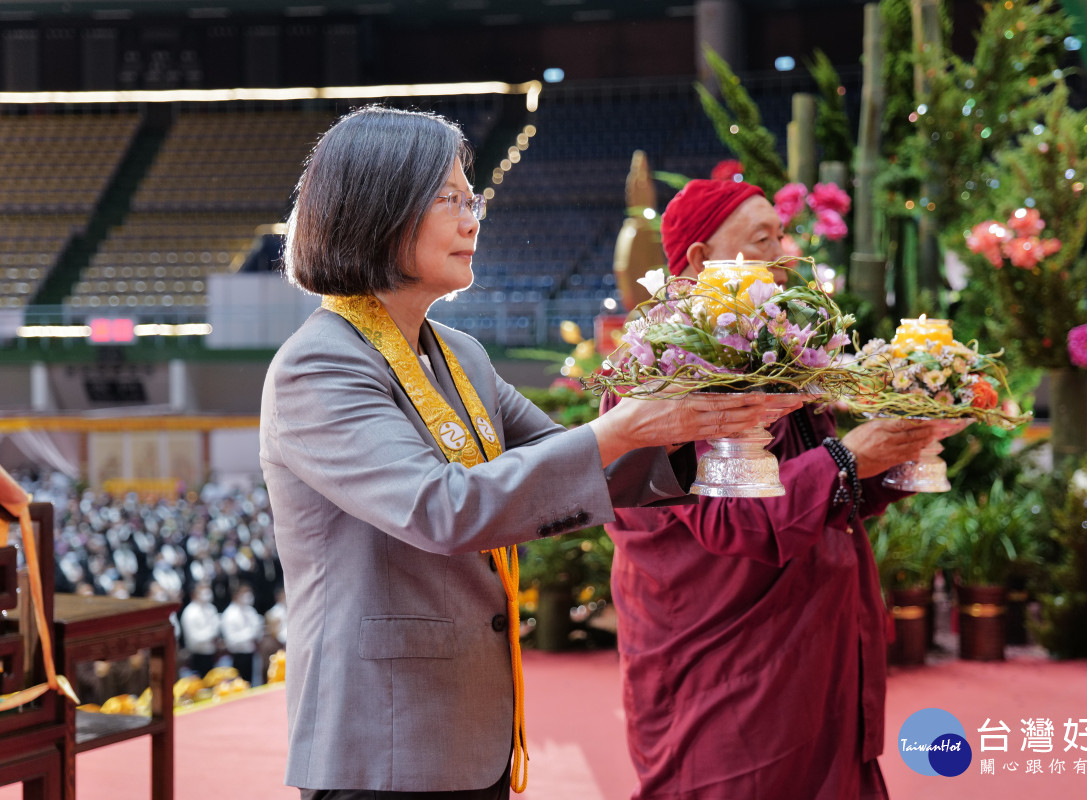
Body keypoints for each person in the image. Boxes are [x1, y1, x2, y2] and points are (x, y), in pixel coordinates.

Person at [259, 107, 793, 799]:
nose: (472, 219)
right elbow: (441, 510)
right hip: (379, 741)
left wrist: (695, 429)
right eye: (448, 199)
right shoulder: (320, 366)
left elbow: (568, 467)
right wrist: (628, 425)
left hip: (471, 726)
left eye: (470, 198)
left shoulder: (459, 354)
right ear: (378, 210)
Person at [605, 178, 950, 800]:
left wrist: (895, 453)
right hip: (730, 666)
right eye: (762, 239)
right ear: (702, 260)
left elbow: (819, 494)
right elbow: (734, 520)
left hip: (810, 647)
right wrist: (849, 457)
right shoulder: (670, 364)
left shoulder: (770, 351)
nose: (785, 254)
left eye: (783, 234)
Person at [220, 583, 264, 684]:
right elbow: (231, 639)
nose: (248, 595)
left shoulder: (250, 611)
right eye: (245, 592)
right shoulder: (229, 614)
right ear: (236, 595)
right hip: (238, 654)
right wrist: (250, 634)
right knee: (239, 683)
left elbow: (258, 629)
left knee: (252, 682)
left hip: (252, 652)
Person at [179, 582, 220, 679]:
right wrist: (210, 635)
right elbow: (193, 637)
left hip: (212, 652)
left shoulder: (211, 608)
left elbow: (216, 626)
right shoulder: (190, 612)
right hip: (197, 654)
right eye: (202, 590)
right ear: (194, 593)